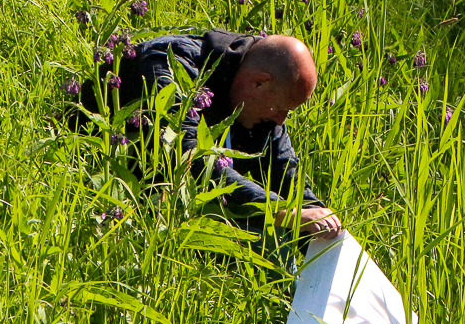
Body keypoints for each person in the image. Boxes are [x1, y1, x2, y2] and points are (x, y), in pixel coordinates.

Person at [75, 29, 342, 240]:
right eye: (281, 109)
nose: (281, 120)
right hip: (98, 186)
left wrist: (325, 223)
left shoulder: (259, 96)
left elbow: (287, 173)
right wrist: (283, 212)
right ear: (260, 81)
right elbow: (187, 154)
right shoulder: (168, 65)